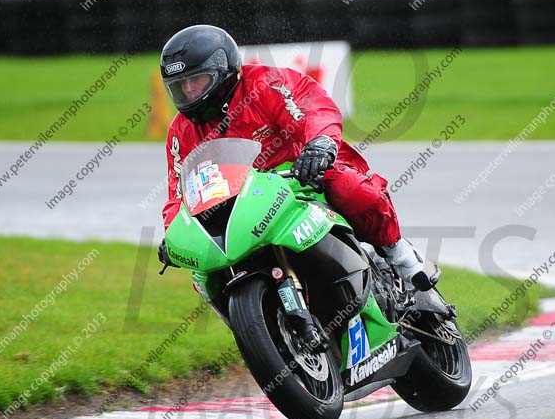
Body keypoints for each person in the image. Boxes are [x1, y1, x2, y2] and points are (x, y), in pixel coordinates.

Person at [157, 25, 434, 289]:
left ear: (221, 71)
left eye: (197, 79)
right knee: (202, 271)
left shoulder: (265, 84)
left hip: (300, 177)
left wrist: (321, 143)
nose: (190, 91)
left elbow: (314, 108)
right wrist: (175, 234)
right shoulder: (181, 132)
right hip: (240, 204)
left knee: (350, 188)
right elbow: (179, 194)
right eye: (181, 85)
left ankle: (401, 256)